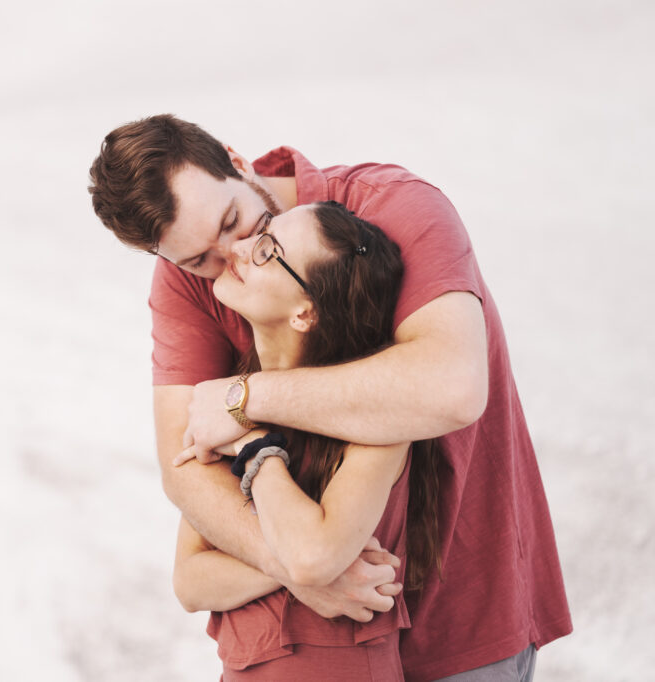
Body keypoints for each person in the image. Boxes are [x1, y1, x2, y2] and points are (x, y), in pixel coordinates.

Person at [87, 114, 571, 681]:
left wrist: (245, 401)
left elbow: (453, 388)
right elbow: (184, 468)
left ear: (238, 162)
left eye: (235, 221)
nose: (235, 253)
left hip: (462, 624)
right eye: (199, 259)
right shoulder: (191, 283)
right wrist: (294, 565)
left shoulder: (395, 207)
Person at [172, 202, 437, 680]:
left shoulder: (376, 423)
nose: (240, 247)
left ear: (305, 312)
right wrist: (291, 572)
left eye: (268, 248)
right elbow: (191, 582)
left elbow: (313, 555)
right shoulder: (221, 405)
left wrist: (256, 449)